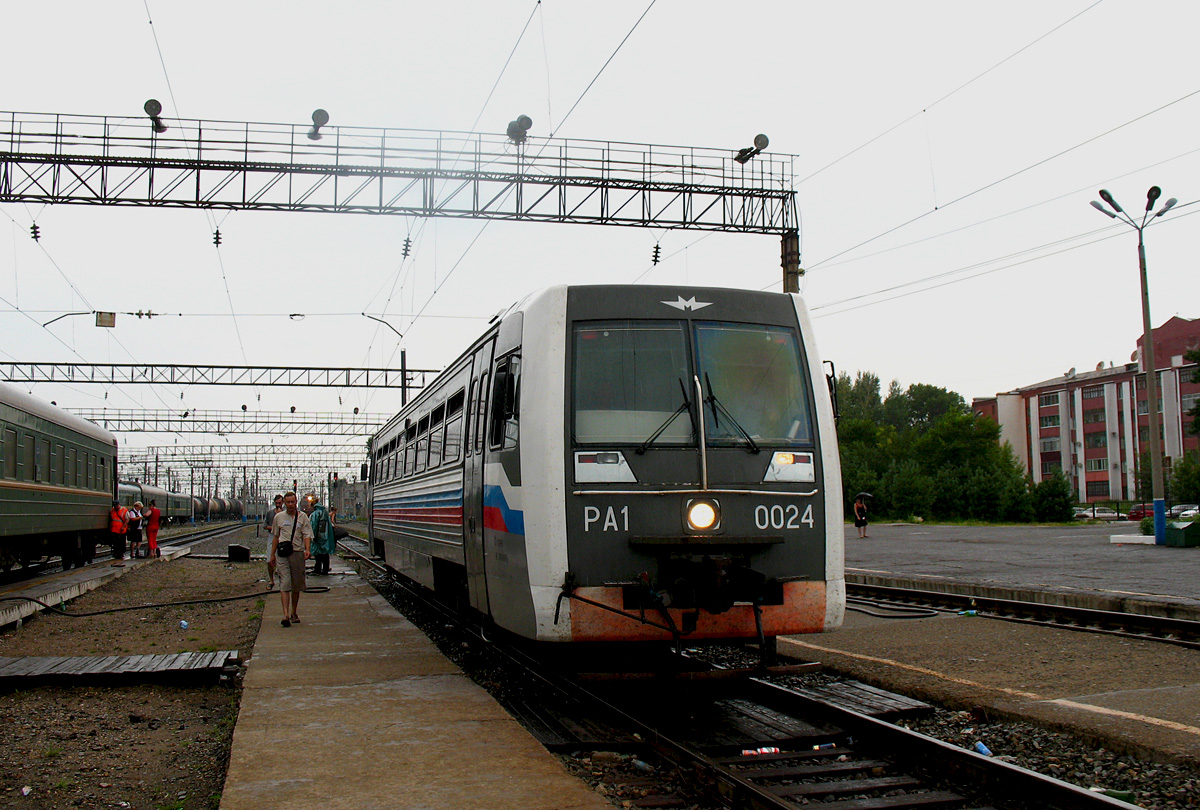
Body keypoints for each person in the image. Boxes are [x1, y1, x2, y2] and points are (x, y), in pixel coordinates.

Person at [270, 492, 314, 627]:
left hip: (297, 553)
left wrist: (307, 549)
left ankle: (294, 612)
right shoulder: (279, 517)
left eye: (292, 502)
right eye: (288, 502)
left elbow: (307, 534)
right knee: (285, 583)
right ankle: (286, 615)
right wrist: (272, 555)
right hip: (283, 554)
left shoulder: (303, 518)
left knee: (296, 585)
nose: (290, 505)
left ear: (296, 502)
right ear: (284, 503)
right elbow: (276, 537)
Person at [307, 493, 336, 575]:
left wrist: (313, 536)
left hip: (318, 536)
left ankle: (318, 569)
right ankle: (325, 569)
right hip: (326, 536)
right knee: (325, 554)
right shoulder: (325, 512)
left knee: (318, 554)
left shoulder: (315, 514)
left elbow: (314, 526)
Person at [264, 494, 284, 584]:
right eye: (276, 503)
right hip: (272, 536)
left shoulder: (286, 513)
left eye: (280, 503)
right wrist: (274, 527)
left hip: (283, 537)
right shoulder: (270, 513)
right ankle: (271, 579)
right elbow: (265, 526)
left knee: (282, 560)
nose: (278, 505)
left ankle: (282, 580)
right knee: (269, 559)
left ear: (282, 503)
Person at [108, 500, 129, 564]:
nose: (116, 507)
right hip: (114, 530)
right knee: (115, 543)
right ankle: (116, 553)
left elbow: (127, 519)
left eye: (116, 506)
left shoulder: (124, 510)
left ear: (119, 505)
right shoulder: (113, 510)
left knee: (121, 543)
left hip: (121, 530)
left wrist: (123, 526)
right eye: (114, 506)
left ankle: (120, 553)